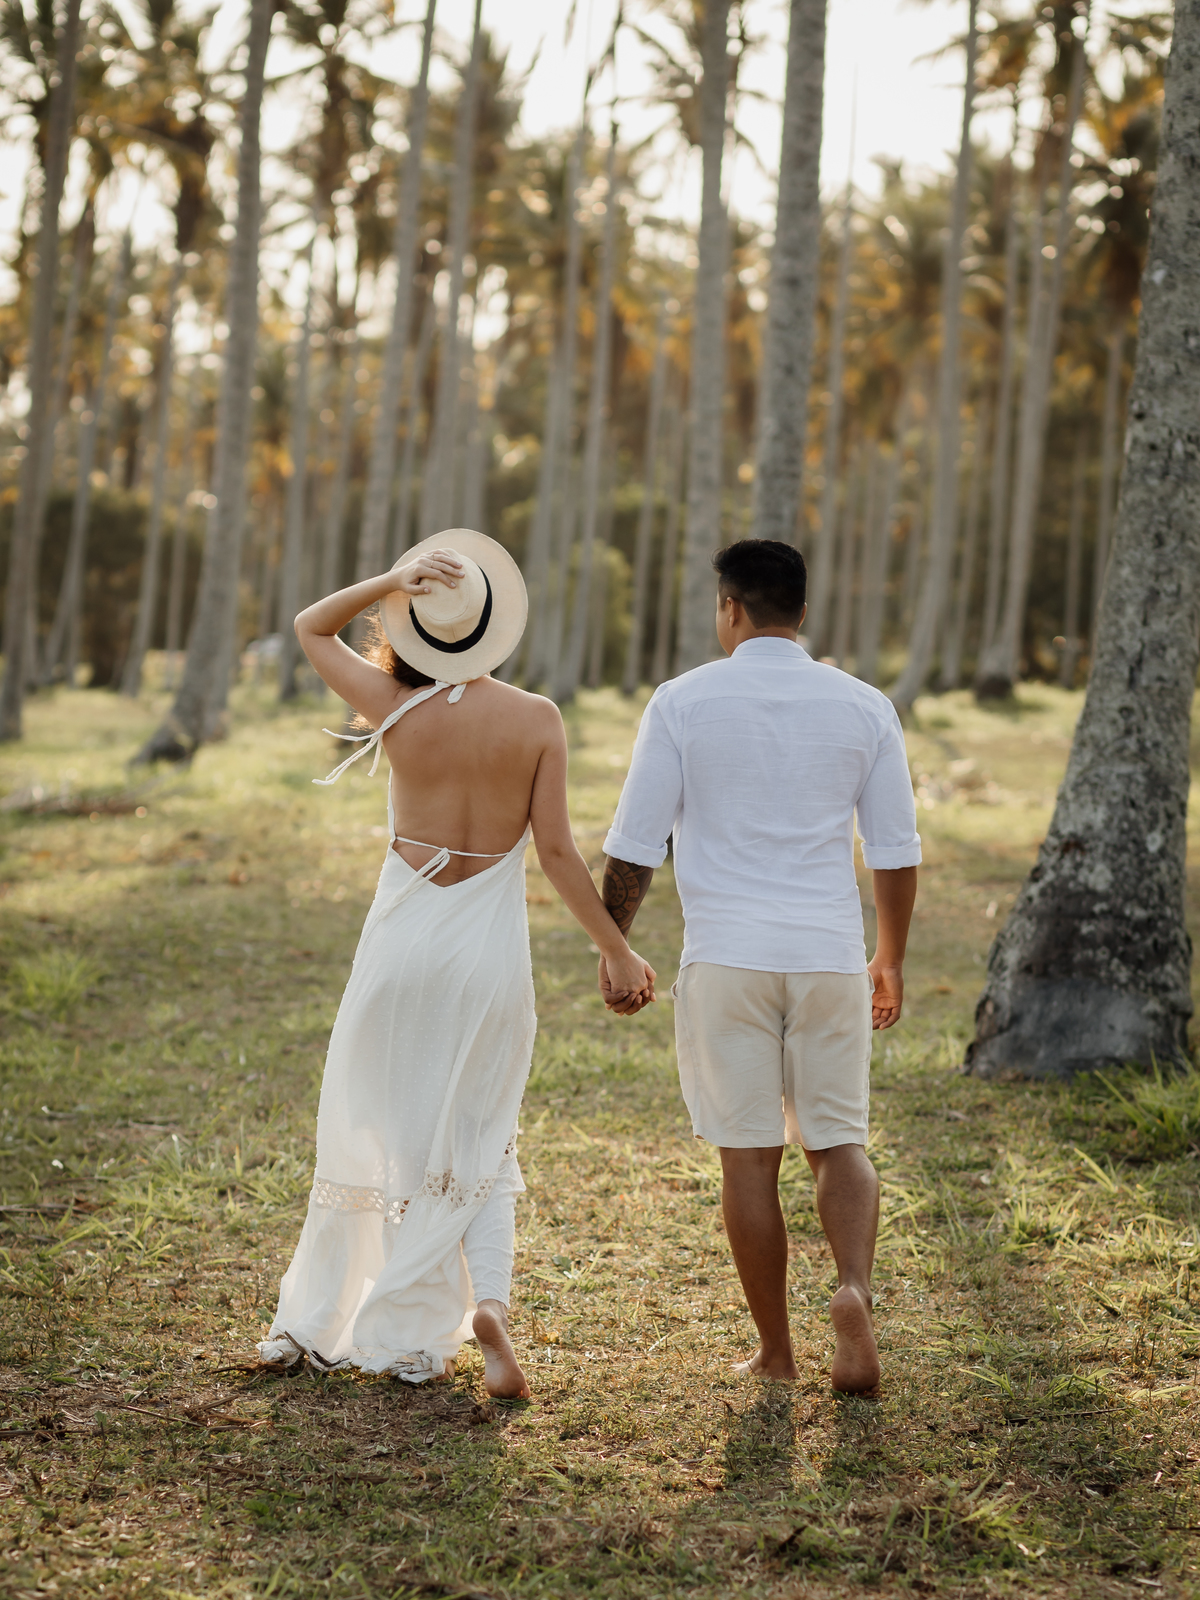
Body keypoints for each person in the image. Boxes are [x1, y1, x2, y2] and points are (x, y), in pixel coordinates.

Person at [259, 529, 655, 1398]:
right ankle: (480, 1312)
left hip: (400, 950)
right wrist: (616, 948)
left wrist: (389, 582)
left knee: (386, 1128)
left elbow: (309, 626)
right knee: (479, 1133)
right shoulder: (537, 719)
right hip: (485, 957)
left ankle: (348, 1315)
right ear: (492, 624)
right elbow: (557, 853)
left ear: (417, 624)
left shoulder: (395, 708)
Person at [597, 538, 919, 1393]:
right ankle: (852, 1290)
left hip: (727, 960)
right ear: (802, 613)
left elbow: (636, 845)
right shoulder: (865, 706)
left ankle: (777, 1353)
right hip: (827, 958)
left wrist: (614, 946)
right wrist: (889, 958)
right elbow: (894, 848)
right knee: (839, 1143)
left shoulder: (682, 701)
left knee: (748, 1160)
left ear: (730, 609)